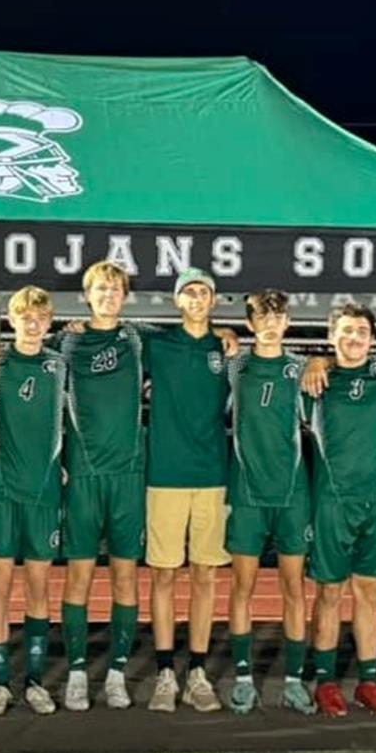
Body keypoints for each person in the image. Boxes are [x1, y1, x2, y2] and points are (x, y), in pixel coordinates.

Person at [56, 261, 147, 711]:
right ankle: (76, 673)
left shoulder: (137, 338)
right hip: (84, 474)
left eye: (116, 288)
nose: (109, 295)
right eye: (101, 288)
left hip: (127, 475)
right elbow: (25, 354)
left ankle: (116, 674)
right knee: (80, 576)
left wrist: (225, 335)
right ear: (86, 295)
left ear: (125, 296)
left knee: (126, 576)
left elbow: (194, 335)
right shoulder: (66, 341)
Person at [301, 303, 376, 717]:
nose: (354, 337)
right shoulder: (313, 380)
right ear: (331, 336)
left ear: (372, 339)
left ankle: (368, 681)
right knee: (329, 593)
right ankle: (325, 682)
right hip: (332, 502)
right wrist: (314, 361)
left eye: (361, 331)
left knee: (370, 593)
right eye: (346, 330)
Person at [222, 289, 317, 715]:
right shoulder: (237, 366)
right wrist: (220, 334)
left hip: (291, 493)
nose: (270, 324)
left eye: (277, 317)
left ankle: (294, 681)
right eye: (262, 317)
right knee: (241, 587)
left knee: (293, 588)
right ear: (250, 323)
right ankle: (244, 679)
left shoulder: (300, 368)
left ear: (288, 322)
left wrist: (323, 361)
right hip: (247, 493)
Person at [143, 267, 231, 714]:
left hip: (212, 474)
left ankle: (196, 671)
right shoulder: (155, 345)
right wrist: (77, 330)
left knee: (205, 575)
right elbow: (106, 334)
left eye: (204, 292)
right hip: (165, 475)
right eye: (189, 292)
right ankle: (164, 672)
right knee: (163, 575)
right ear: (177, 300)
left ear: (213, 301)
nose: (197, 299)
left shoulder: (226, 349)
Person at [0, 286, 65, 717]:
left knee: (38, 585)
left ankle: (34, 679)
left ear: (49, 323)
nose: (32, 324)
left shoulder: (59, 365)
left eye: (40, 317)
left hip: (44, 490)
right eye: (25, 317)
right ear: (11, 320)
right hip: (2, 490)